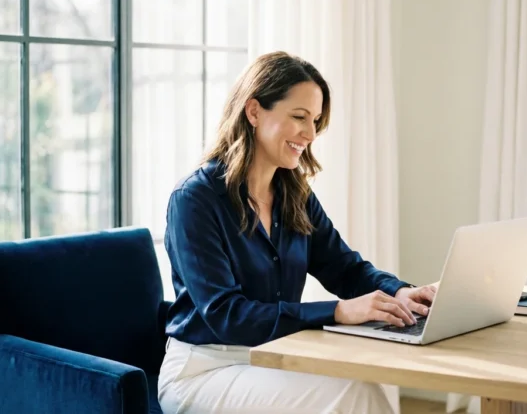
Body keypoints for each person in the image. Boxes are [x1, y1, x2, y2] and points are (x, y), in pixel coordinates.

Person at [157, 51, 438, 413]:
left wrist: (402, 293)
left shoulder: (294, 194)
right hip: (204, 371)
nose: (310, 133)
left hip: (276, 358)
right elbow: (227, 316)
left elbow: (345, 269)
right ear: (254, 111)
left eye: (316, 120)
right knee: (353, 396)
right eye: (299, 117)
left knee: (359, 388)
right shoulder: (195, 200)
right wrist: (337, 311)